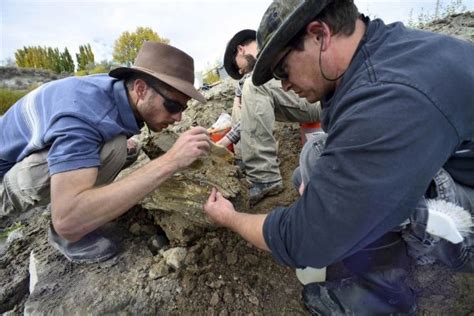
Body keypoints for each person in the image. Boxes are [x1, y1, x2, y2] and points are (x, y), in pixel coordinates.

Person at [204, 0, 474, 314]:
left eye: (282, 69)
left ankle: (384, 302)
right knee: (317, 157)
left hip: (465, 225)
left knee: (358, 201)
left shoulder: (389, 94)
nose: (284, 83)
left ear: (320, 34)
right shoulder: (386, 51)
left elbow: (306, 239)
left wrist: (230, 218)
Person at [0, 41, 211, 263]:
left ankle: (83, 200)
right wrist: (172, 160)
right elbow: (67, 219)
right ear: (140, 89)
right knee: (115, 148)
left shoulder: (113, 89)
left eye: (183, 108)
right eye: (173, 106)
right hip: (4, 182)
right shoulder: (83, 115)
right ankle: (69, 237)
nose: (179, 118)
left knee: (124, 148)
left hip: (23, 152)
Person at [219, 29, 321, 205]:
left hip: (318, 97)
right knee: (244, 95)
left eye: (238, 67)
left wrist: (225, 141)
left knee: (253, 85)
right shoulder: (260, 69)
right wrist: (238, 94)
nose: (241, 72)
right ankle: (246, 161)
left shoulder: (272, 48)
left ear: (241, 50)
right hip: (305, 98)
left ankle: (265, 177)